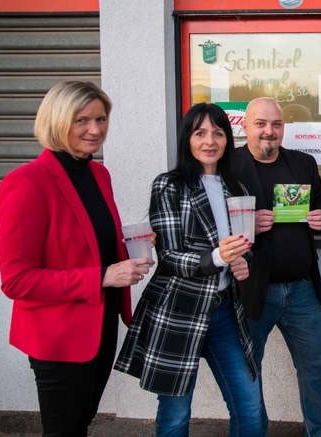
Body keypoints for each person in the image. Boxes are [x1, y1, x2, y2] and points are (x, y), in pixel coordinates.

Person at [0, 80, 154, 437]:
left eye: (101, 119)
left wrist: (131, 247)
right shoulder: (25, 183)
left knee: (80, 424)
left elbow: (90, 245)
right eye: (82, 120)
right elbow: (17, 281)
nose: (95, 130)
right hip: (59, 337)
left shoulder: (98, 173)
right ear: (56, 120)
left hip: (101, 326)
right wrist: (103, 276)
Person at [115, 103, 261, 437]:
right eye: (200, 133)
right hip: (178, 312)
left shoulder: (236, 188)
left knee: (249, 408)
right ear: (187, 139)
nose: (210, 141)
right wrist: (218, 258)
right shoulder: (169, 186)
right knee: (176, 415)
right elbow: (168, 257)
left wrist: (243, 262)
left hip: (225, 312)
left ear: (227, 140)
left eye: (218, 133)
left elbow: (243, 246)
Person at [235, 97, 321, 437]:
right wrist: (246, 225)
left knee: (317, 366)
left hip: (301, 290)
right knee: (247, 370)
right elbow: (212, 220)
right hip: (252, 290)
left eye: (276, 124)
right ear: (245, 127)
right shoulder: (229, 166)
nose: (269, 131)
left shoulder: (303, 162)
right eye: (261, 124)